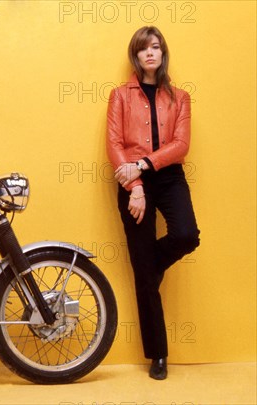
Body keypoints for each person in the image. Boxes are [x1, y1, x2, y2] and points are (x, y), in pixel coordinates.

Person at [106, 26, 200, 380]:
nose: (150, 54)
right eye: (144, 49)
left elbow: (181, 144)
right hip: (132, 182)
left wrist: (144, 164)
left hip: (168, 176)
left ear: (162, 54)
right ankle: (158, 355)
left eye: (156, 48)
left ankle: (150, 265)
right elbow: (114, 145)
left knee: (187, 235)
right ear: (136, 55)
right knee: (145, 281)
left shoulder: (181, 97)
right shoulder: (120, 96)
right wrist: (135, 184)